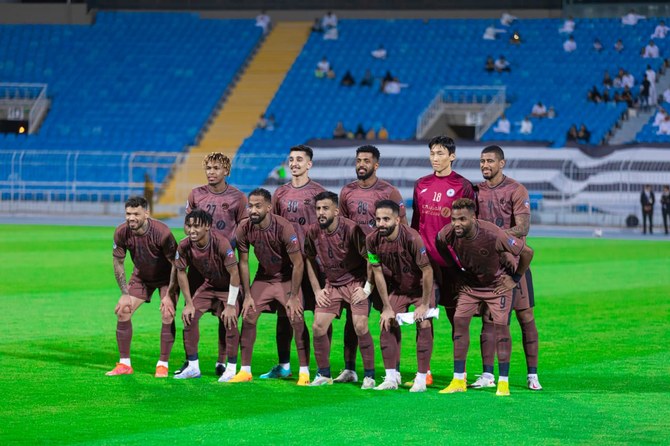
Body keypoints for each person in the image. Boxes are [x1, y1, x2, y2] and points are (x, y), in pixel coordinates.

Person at [436, 198, 534, 396]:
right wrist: (456, 272)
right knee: (459, 322)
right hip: (471, 286)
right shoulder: (447, 234)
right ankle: (458, 380)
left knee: (501, 327)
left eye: (462, 219)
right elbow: (439, 245)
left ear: (474, 218)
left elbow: (527, 253)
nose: (456, 224)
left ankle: (503, 383)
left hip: (498, 287)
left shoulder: (494, 234)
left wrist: (515, 278)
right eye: (454, 219)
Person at [472, 145, 542, 391]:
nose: (485, 165)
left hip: (514, 262)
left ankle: (532, 375)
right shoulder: (476, 191)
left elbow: (523, 228)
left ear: (501, 163)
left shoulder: (516, 189)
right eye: (482, 161)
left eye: (490, 161)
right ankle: (487, 374)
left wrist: (493, 237)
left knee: (525, 317)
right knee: (488, 319)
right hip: (488, 266)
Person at [336, 145, 407, 384]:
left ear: (376, 165)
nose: (361, 164)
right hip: (356, 267)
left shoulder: (389, 191)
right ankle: (350, 369)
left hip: (385, 265)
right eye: (358, 160)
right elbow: (343, 228)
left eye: (366, 161)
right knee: (353, 317)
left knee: (389, 316)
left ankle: (394, 371)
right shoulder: (346, 192)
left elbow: (403, 227)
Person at [410, 136, 475, 386]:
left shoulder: (463, 186)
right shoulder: (421, 184)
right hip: (426, 265)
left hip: (453, 265)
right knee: (423, 316)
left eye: (440, 153)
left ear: (452, 156)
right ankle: (424, 373)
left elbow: (470, 225)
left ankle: (460, 373)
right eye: (432, 153)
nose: (435, 158)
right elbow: (416, 223)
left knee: (456, 318)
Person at [231, 188, 310, 384]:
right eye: (250, 206)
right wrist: (247, 295)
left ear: (269, 207)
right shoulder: (244, 228)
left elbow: (298, 263)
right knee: (248, 315)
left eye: (258, 206)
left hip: (286, 278)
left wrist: (293, 296)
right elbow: (243, 263)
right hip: (264, 278)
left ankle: (304, 372)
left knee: (296, 317)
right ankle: (245, 371)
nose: (253, 210)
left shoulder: (284, 227)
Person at [181, 152, 248, 377]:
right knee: (189, 311)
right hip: (198, 265)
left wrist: (225, 247)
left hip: (225, 265)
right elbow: (188, 225)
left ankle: (222, 361)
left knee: (226, 314)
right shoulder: (196, 194)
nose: (211, 172)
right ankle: (190, 362)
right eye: (208, 168)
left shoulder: (238, 197)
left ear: (226, 171)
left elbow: (243, 230)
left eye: (216, 168)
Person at [265, 145, 325, 381]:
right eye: (291, 159)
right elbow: (274, 226)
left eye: (299, 159)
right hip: (287, 265)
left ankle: (322, 368)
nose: (294, 163)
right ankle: (284, 366)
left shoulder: (319, 192)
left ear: (309, 164)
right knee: (284, 315)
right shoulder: (280, 193)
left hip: (314, 264)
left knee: (320, 314)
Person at [304, 192, 377, 389]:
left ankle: (369, 376)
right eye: (318, 209)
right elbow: (308, 259)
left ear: (336, 211)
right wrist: (317, 290)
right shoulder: (312, 231)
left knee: (360, 326)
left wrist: (367, 289)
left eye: (325, 208)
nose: (321, 213)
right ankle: (323, 374)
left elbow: (372, 258)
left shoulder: (352, 229)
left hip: (356, 283)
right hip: (332, 285)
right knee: (318, 326)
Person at [368, 200, 435, 392]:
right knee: (386, 322)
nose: (381, 223)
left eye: (386, 219)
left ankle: (421, 379)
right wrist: (386, 307)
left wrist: (424, 304)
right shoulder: (372, 240)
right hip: (399, 288)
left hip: (421, 288)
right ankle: (391, 378)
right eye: (378, 219)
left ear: (397, 220)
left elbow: (427, 271)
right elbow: (377, 272)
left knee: (424, 323)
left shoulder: (412, 238)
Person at [106, 196, 178, 378]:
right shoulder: (121, 232)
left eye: (136, 214)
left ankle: (162, 365)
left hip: (166, 279)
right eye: (128, 214)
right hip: (141, 277)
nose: (131, 218)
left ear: (147, 213)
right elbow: (118, 263)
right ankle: (124, 364)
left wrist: (168, 295)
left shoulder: (162, 232)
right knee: (123, 310)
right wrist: (124, 293)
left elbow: (176, 265)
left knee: (167, 313)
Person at [173, 210, 241, 381]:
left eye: (196, 226)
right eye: (189, 226)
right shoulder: (184, 245)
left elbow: (234, 273)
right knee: (189, 317)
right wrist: (189, 303)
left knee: (230, 321)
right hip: (209, 286)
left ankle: (231, 369)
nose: (192, 230)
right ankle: (193, 367)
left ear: (208, 226)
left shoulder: (221, 243)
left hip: (228, 288)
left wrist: (231, 305)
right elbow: (181, 272)